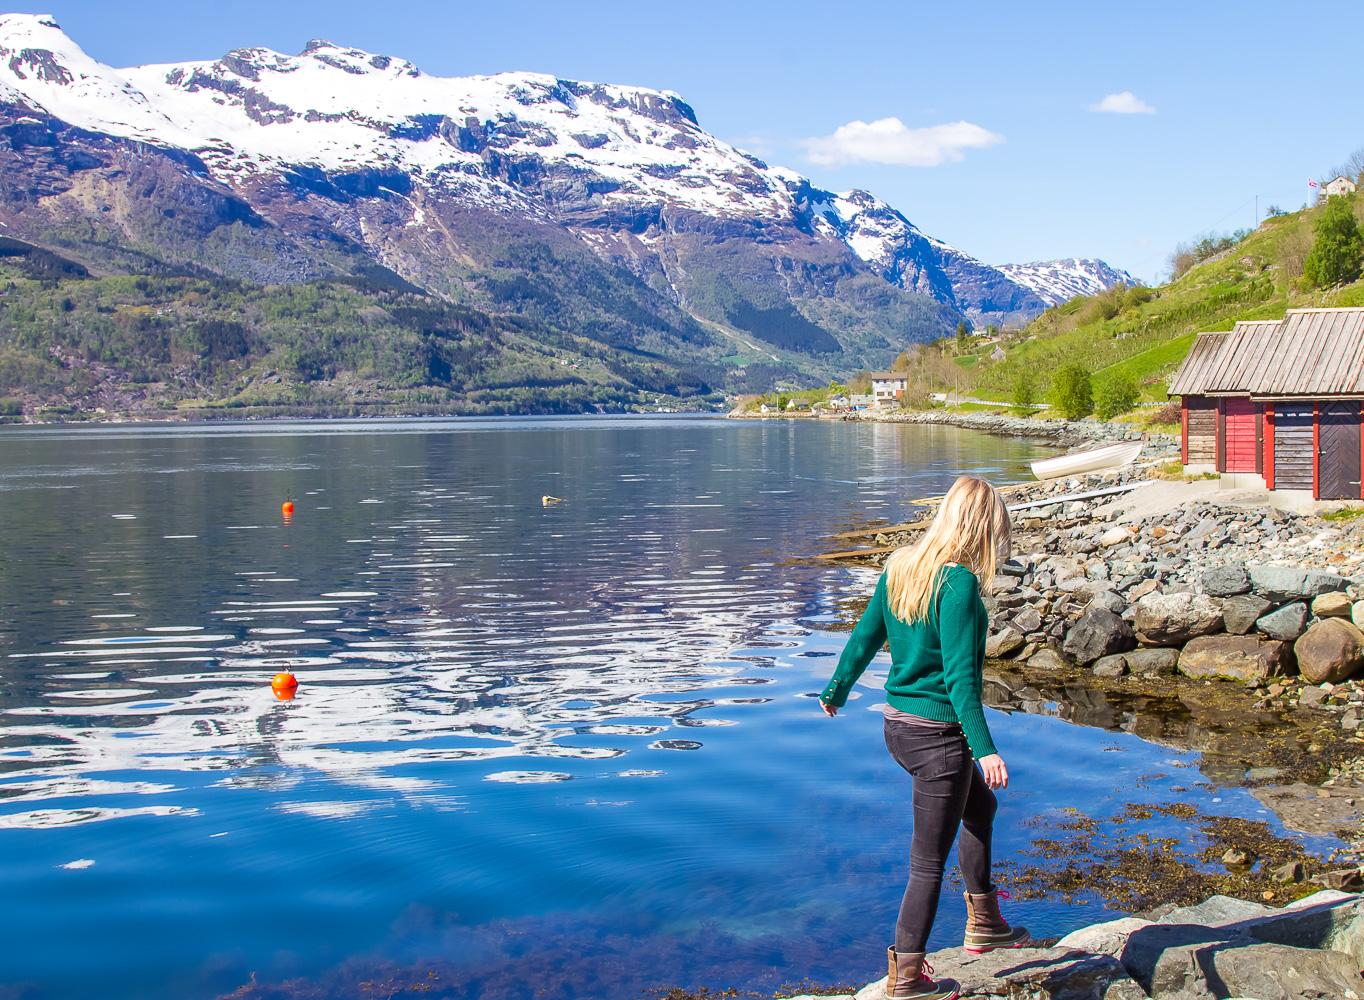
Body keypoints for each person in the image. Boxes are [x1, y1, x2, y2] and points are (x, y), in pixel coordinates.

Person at [819, 475, 1029, 1000]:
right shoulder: (956, 583)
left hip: (898, 726)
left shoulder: (902, 566)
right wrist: (986, 749)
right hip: (938, 737)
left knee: (979, 811)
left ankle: (985, 922)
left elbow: (866, 634)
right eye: (996, 531)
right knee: (927, 864)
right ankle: (907, 978)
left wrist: (837, 688)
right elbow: (961, 680)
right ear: (981, 527)